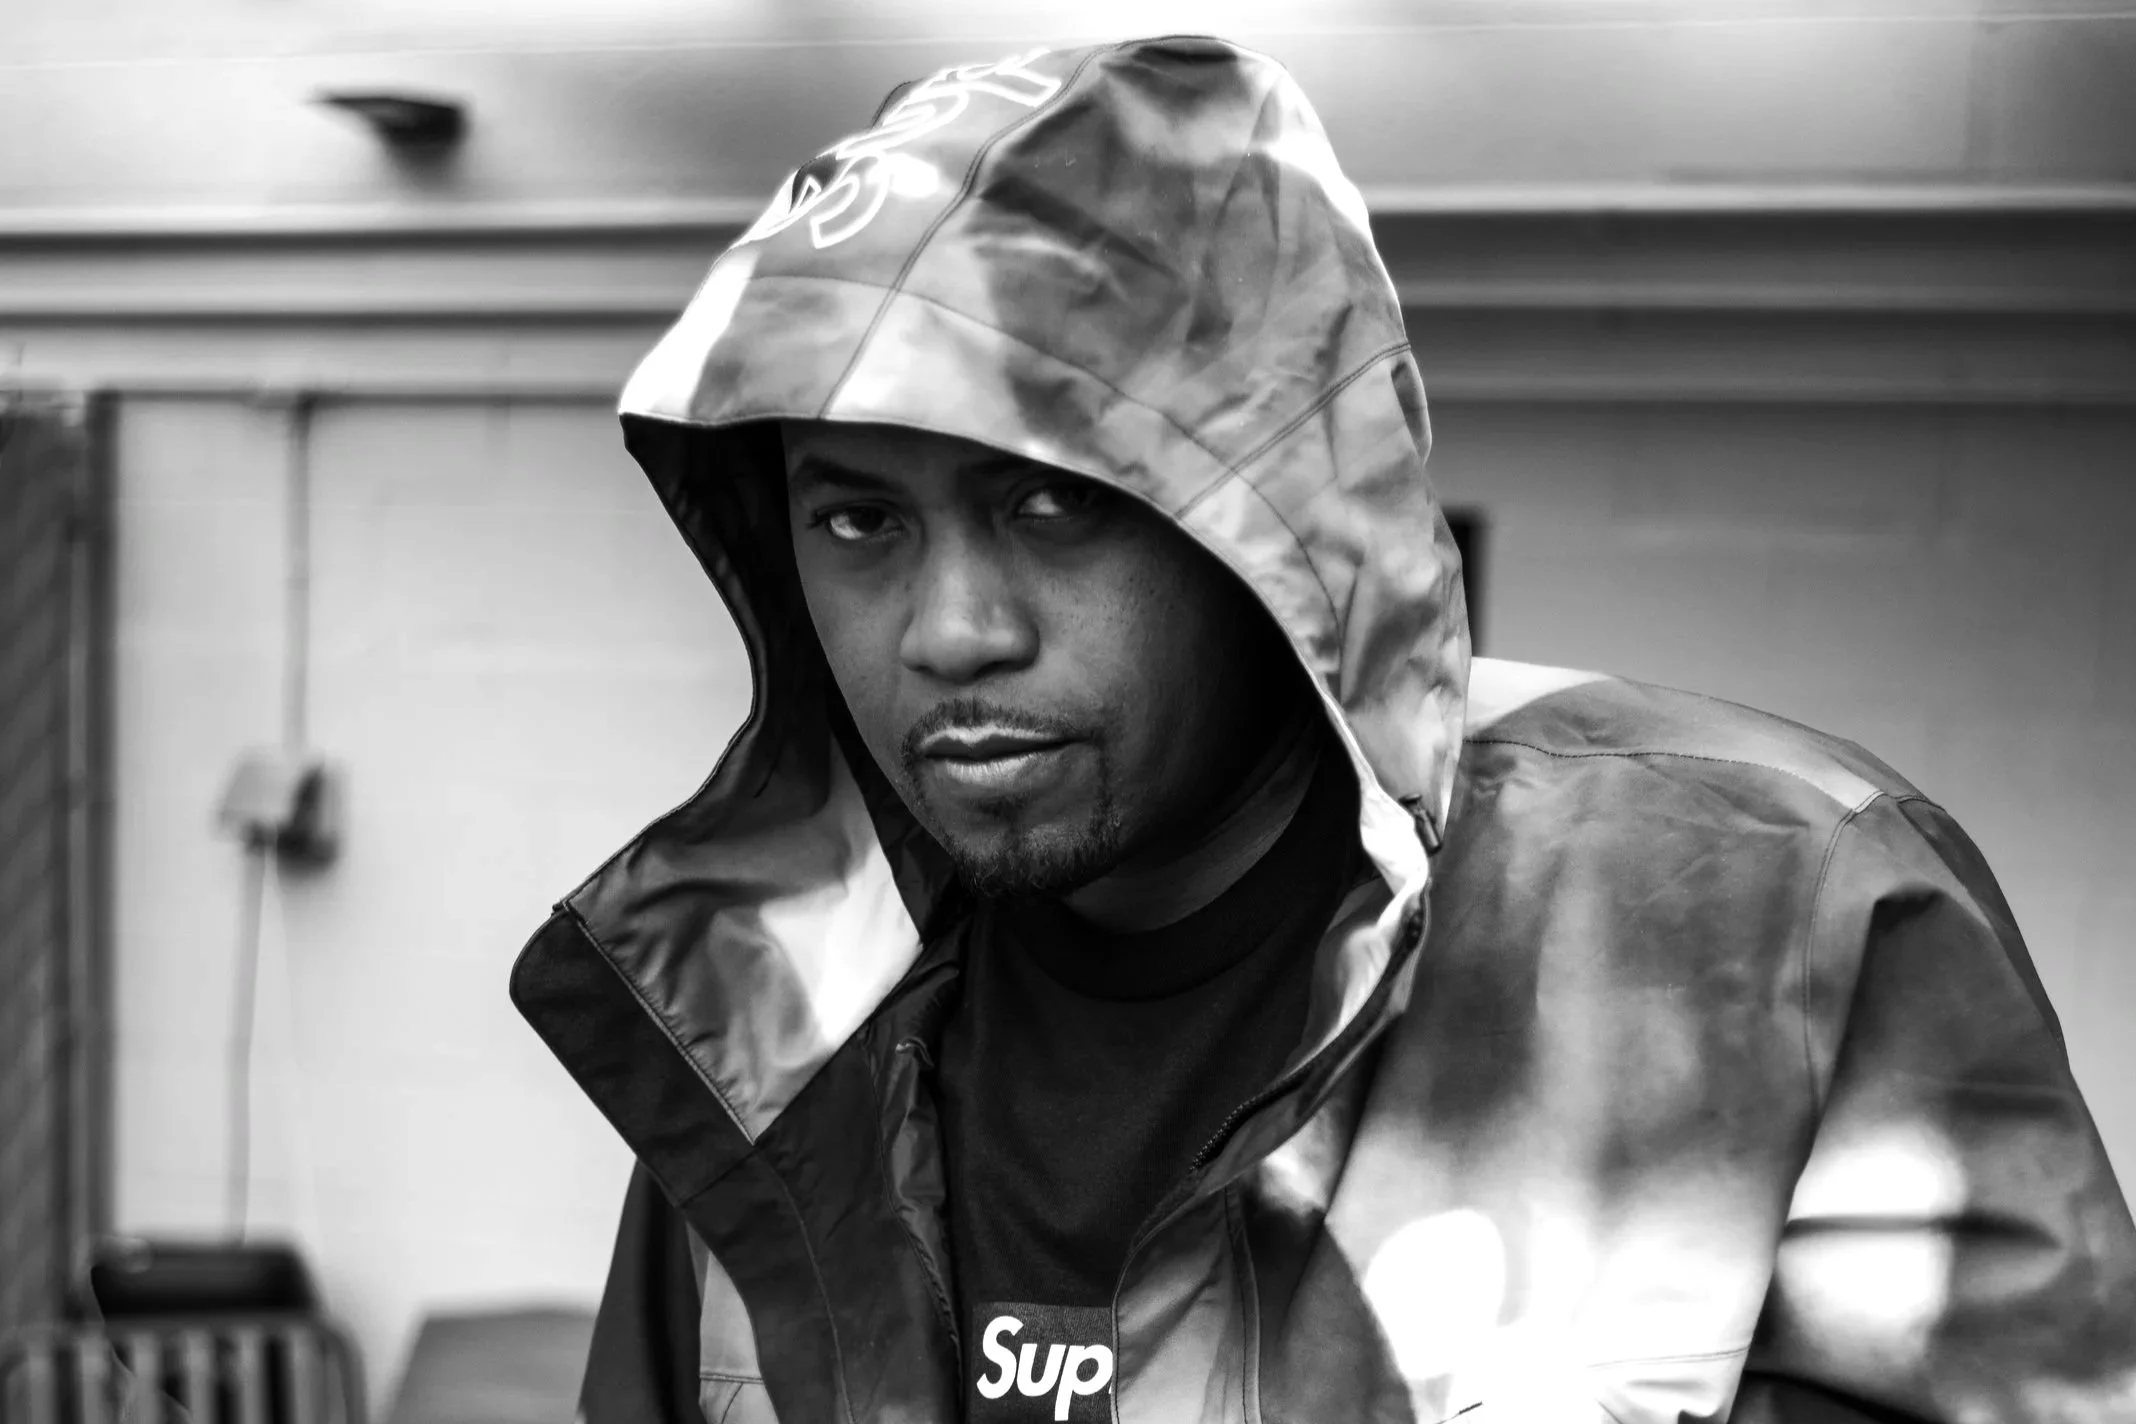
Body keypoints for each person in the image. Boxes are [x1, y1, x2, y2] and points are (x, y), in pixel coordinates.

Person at [511, 35, 2136, 1424]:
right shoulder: (769, 1024)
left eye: (1054, 504)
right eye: (859, 522)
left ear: (1273, 514)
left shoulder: (1768, 921)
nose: (952, 631)